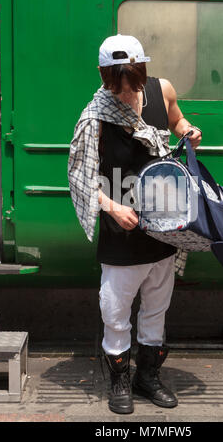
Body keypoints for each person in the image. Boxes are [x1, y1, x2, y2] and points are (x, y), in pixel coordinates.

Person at [68, 34, 202, 415]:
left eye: (134, 80)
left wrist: (188, 132)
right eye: (119, 83)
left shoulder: (162, 90)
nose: (127, 91)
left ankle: (148, 377)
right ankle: (120, 381)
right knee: (115, 310)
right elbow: (80, 177)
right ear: (103, 75)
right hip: (121, 229)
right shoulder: (94, 116)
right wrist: (110, 207)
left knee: (157, 308)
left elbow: (177, 121)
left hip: (164, 224)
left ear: (144, 69)